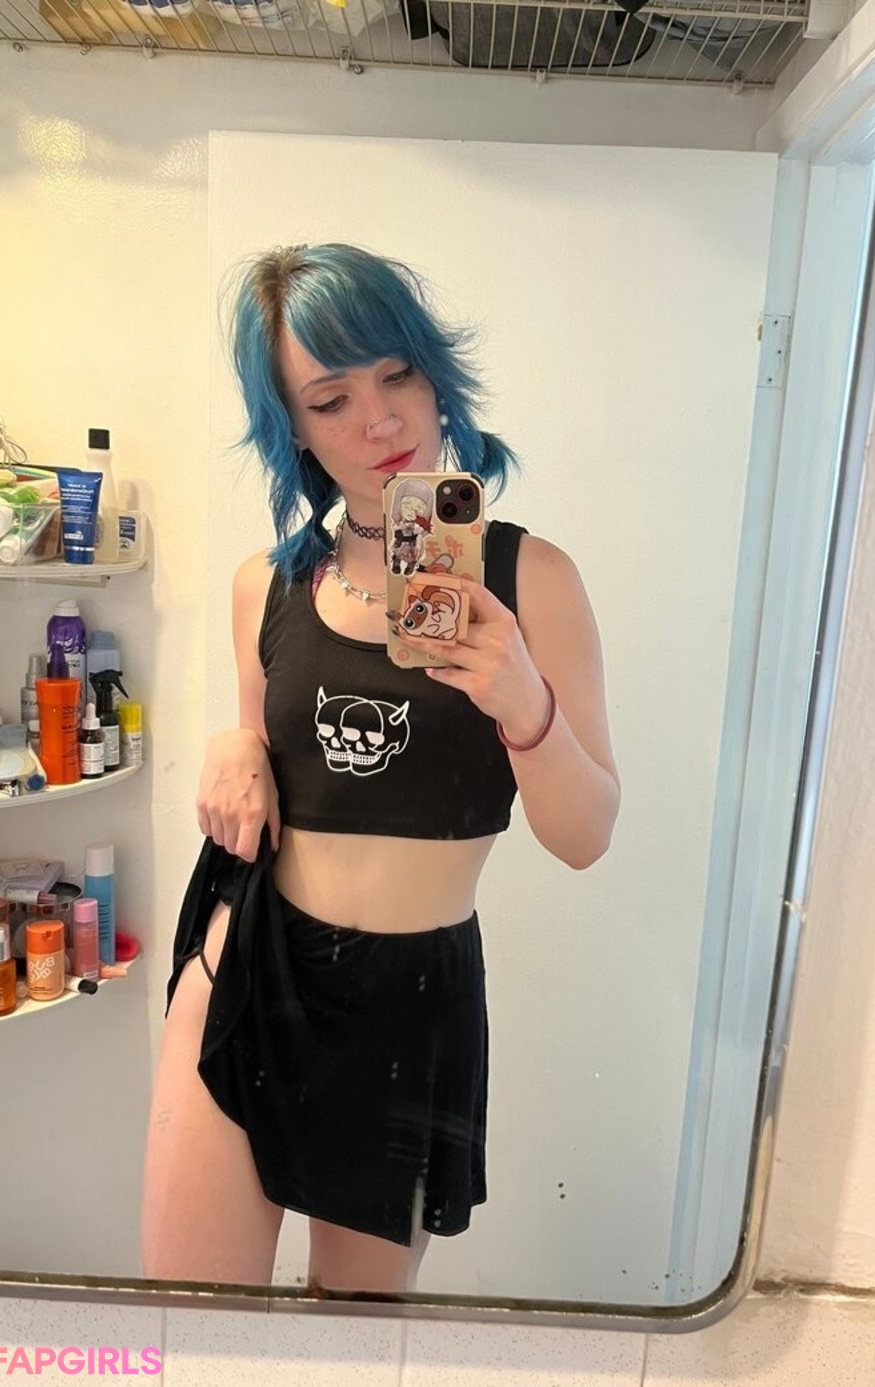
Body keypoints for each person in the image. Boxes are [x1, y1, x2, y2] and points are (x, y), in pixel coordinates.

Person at [141, 243, 619, 1294]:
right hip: (252, 968)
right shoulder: (265, 585)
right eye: (331, 399)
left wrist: (523, 701)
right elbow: (266, 768)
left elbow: (586, 836)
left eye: (398, 373)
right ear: (294, 429)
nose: (380, 419)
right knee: (192, 1321)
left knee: (350, 1338)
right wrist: (233, 746)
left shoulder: (533, 579)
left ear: (435, 372)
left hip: (412, 1005)